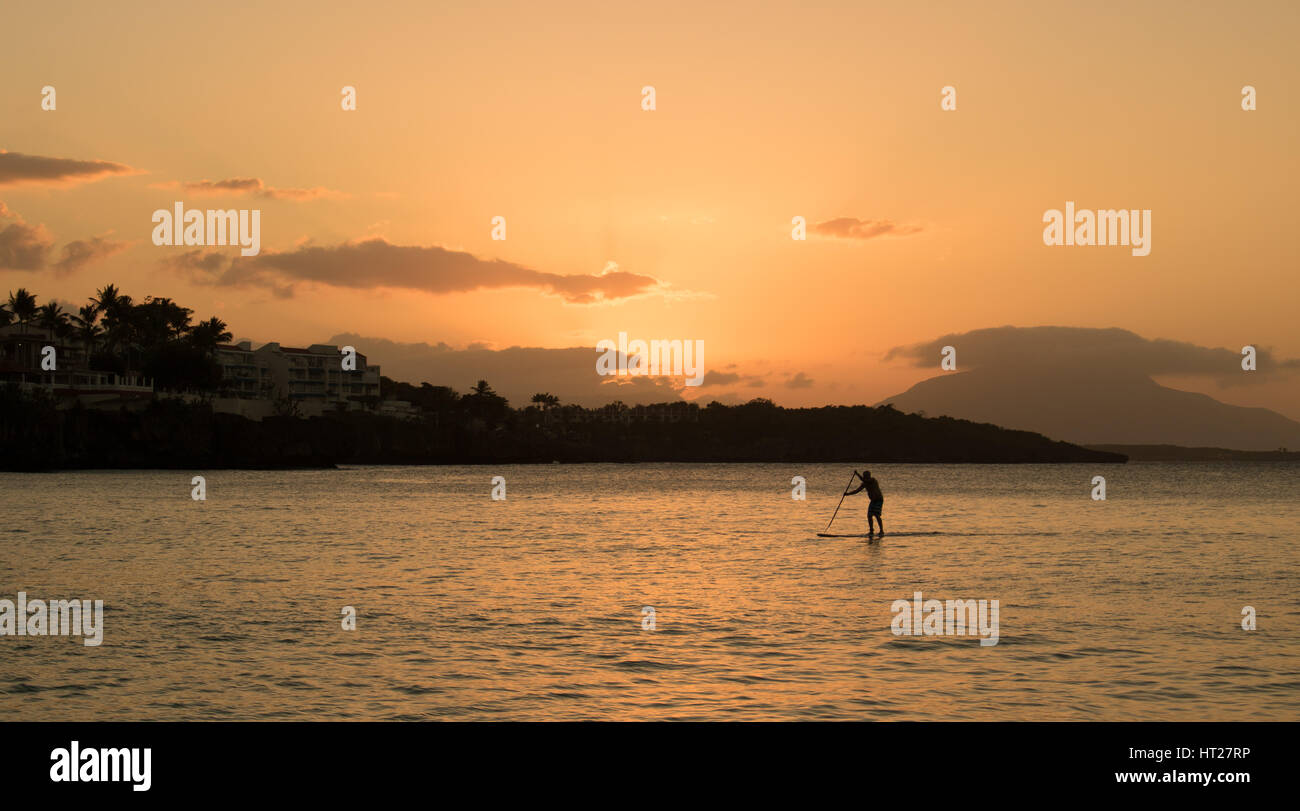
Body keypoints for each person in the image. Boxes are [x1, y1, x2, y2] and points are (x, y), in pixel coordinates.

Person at [847, 469, 884, 535]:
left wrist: (857, 474)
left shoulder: (873, 480)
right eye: (865, 476)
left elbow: (864, 480)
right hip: (873, 501)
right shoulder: (864, 483)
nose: (865, 478)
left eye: (866, 476)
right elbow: (857, 491)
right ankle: (871, 531)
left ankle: (881, 531)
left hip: (878, 499)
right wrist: (848, 494)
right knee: (869, 515)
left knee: (876, 515)